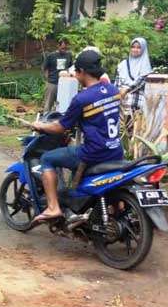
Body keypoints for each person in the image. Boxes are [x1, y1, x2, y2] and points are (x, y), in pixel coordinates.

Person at [30, 50, 124, 225]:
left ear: (82, 71)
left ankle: (53, 207)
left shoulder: (82, 98)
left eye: (76, 72)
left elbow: (60, 127)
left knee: (47, 158)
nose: (75, 74)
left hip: (95, 153)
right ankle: (118, 205)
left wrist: (40, 125)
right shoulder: (112, 90)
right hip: (116, 150)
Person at [116, 37, 153, 115]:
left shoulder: (145, 65)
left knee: (133, 126)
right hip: (120, 100)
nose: (135, 49)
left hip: (135, 101)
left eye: (139, 47)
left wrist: (127, 89)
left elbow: (141, 82)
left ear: (143, 49)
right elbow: (117, 80)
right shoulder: (123, 64)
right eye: (133, 47)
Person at [42, 38, 73, 112]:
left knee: (63, 103)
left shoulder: (69, 55)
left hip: (64, 84)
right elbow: (44, 68)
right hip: (53, 83)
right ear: (58, 46)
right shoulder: (51, 56)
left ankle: (58, 119)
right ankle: (45, 119)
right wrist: (48, 79)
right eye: (62, 48)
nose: (64, 50)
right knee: (48, 103)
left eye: (66, 48)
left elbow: (70, 68)